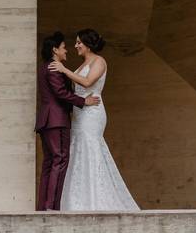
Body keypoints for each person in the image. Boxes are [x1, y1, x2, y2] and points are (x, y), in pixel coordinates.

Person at [48, 28, 139, 211]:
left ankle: (96, 199)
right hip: (80, 113)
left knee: (90, 147)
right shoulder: (81, 65)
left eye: (79, 42)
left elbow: (88, 82)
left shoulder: (99, 61)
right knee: (78, 150)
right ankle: (77, 201)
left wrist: (64, 70)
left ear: (88, 44)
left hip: (93, 112)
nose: (76, 46)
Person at [36, 31, 101, 211]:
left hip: (46, 120)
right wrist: (83, 101)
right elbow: (61, 93)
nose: (67, 50)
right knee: (60, 159)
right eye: (64, 47)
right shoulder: (54, 68)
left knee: (50, 162)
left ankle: (43, 206)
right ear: (55, 49)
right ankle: (52, 207)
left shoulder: (44, 66)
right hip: (57, 120)